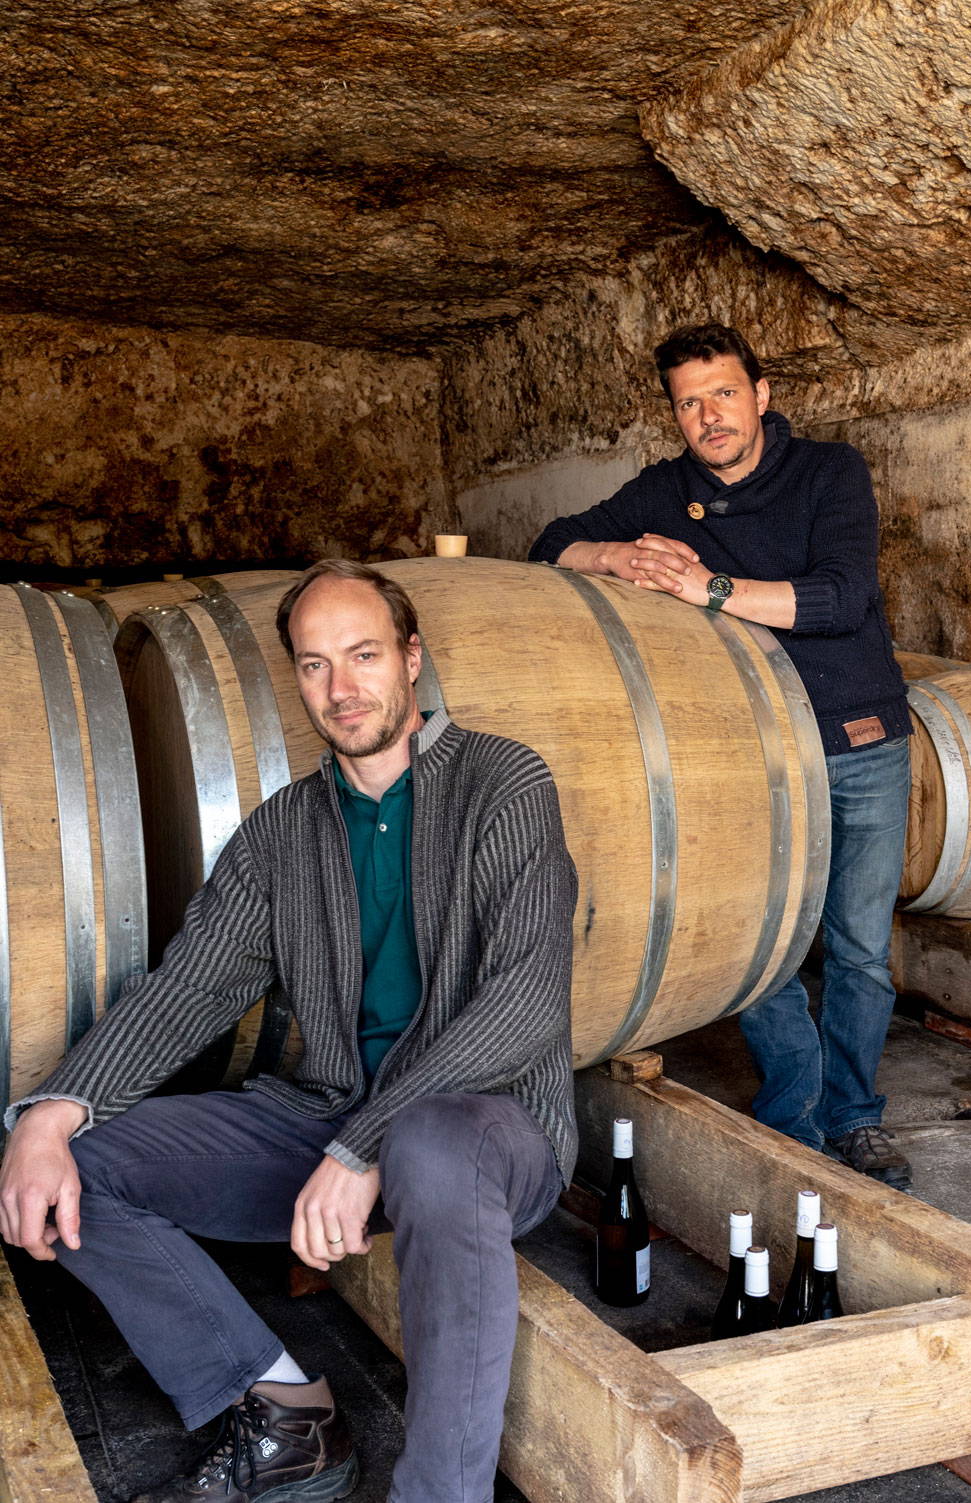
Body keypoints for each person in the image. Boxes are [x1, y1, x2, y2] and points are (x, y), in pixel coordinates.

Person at [0, 559, 579, 1503]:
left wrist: (364, 1144)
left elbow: (526, 1002)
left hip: (486, 1130)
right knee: (82, 1165)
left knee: (430, 1142)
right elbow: (188, 986)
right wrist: (50, 1112)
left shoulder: (502, 780)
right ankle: (283, 1413)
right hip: (326, 1117)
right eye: (315, 664)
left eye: (363, 655)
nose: (340, 687)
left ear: (412, 658)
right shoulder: (282, 831)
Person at [530, 321, 913, 1192]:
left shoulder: (830, 471)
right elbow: (549, 541)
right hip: (748, 755)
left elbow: (842, 597)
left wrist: (709, 589)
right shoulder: (663, 490)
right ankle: (794, 1119)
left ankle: (855, 1117)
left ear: (762, 395)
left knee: (857, 948)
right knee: (762, 947)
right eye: (689, 403)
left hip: (857, 739)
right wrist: (617, 554)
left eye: (725, 393)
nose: (710, 416)